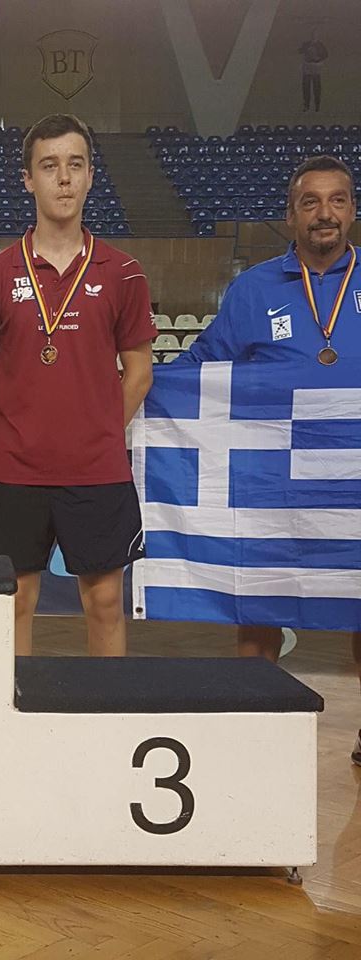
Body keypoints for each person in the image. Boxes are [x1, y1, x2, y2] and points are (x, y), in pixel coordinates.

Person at [177, 154, 361, 765]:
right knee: (257, 608)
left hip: (355, 484)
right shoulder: (253, 289)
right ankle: (254, 727)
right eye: (310, 202)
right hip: (273, 485)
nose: (324, 213)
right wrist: (138, 383)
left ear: (352, 210)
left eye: (337, 200)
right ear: (290, 215)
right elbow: (201, 365)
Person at [0, 114, 156, 657]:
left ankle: (106, 707)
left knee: (105, 602)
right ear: (28, 179)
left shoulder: (124, 272)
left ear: (91, 175)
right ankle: (14, 710)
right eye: (49, 166)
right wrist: (12, 430)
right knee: (14, 601)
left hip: (97, 468)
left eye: (75, 165)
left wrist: (98, 430)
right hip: (16, 470)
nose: (64, 178)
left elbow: (139, 371)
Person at [299, 31, 328, 113]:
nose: (314, 36)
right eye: (312, 35)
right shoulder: (306, 44)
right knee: (306, 87)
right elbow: (300, 51)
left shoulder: (320, 45)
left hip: (316, 68)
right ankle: (306, 105)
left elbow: (326, 54)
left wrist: (318, 59)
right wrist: (304, 49)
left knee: (317, 88)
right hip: (307, 68)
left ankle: (317, 106)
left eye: (315, 35)